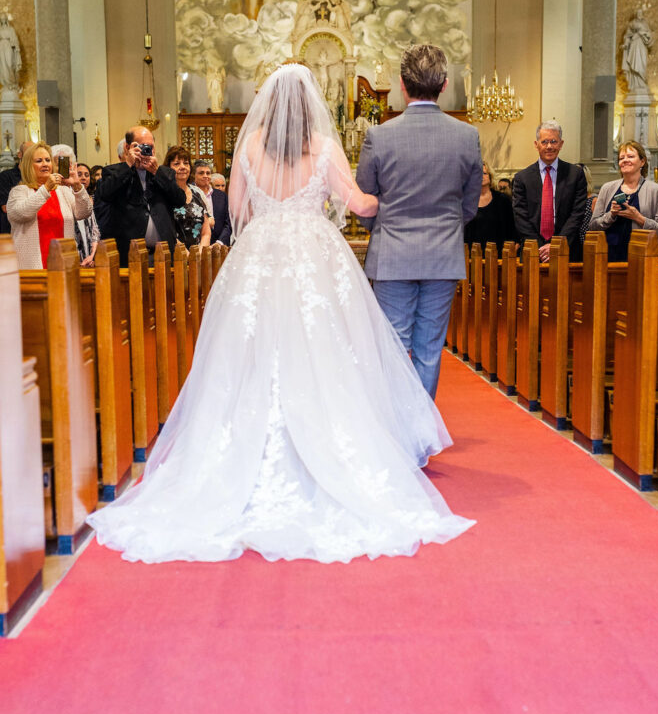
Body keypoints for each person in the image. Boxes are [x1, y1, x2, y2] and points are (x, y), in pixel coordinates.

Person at [87, 63, 475, 564]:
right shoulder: (324, 147)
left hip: (262, 254)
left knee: (253, 353)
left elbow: (240, 210)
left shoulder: (249, 147)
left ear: (268, 102)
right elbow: (357, 204)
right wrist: (396, 199)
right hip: (315, 252)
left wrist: (275, 220)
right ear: (310, 101)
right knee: (326, 352)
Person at [355, 43, 482, 399]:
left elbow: (364, 204)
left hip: (393, 255)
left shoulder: (379, 135)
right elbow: (470, 204)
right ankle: (421, 430)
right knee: (429, 349)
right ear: (443, 85)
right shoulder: (466, 135)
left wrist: (383, 230)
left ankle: (397, 432)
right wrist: (445, 228)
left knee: (393, 346)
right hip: (443, 255)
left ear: (401, 83)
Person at [96, 127, 185, 268]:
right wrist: (128, 165)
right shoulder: (113, 171)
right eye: (140, 146)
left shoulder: (165, 173)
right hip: (130, 256)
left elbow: (180, 200)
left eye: (150, 147)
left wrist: (157, 172)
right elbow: (105, 195)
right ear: (127, 148)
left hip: (163, 255)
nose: (146, 151)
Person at [6, 141, 92, 269]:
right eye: (39, 160)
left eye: (47, 160)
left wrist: (77, 186)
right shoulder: (19, 191)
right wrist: (46, 188)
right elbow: (21, 213)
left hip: (63, 264)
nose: (45, 164)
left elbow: (84, 212)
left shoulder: (62, 191)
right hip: (32, 267)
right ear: (29, 165)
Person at [512, 120, 587, 263]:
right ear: (536, 144)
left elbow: (577, 213)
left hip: (567, 250)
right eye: (544, 142)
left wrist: (556, 245)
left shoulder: (575, 174)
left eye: (554, 141)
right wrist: (541, 248)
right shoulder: (522, 178)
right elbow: (520, 217)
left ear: (561, 143)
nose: (549, 146)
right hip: (533, 252)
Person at [589, 140, 658, 261]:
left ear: (642, 161)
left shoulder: (655, 190)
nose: (625, 160)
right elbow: (593, 226)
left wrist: (639, 218)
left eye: (630, 156)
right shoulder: (607, 188)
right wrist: (611, 215)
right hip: (608, 255)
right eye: (621, 158)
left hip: (641, 256)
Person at [52, 145, 100, 267]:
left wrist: (92, 255)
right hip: (66, 254)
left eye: (68, 164)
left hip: (87, 255)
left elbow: (93, 227)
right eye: (59, 163)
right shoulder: (50, 191)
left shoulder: (80, 192)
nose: (64, 168)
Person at [464, 161, 517, 256]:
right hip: (471, 256)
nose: (481, 176)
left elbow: (512, 227)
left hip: (499, 256)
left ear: (490, 176)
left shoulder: (503, 200)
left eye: (484, 173)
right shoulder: (465, 201)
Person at [164, 146, 212, 251]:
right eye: (177, 164)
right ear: (168, 168)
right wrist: (184, 253)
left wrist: (199, 253)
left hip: (198, 256)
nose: (183, 167)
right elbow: (164, 229)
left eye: (186, 163)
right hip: (174, 255)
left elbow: (206, 232)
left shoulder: (197, 192)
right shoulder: (164, 194)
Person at [193, 159, 231, 245]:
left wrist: (220, 242)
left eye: (208, 173)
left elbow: (228, 223)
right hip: (195, 245)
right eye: (201, 173)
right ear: (193, 175)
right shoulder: (188, 193)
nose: (205, 176)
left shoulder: (222, 196)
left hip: (220, 246)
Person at [0, 140, 31, 234]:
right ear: (20, 155)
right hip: (11, 230)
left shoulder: (40, 178)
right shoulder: (5, 176)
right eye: (29, 152)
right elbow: (6, 208)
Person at [621, 8, 652, 94]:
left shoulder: (645, 24)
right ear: (635, 14)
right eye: (638, 13)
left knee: (642, 63)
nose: (639, 14)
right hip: (634, 45)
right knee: (634, 64)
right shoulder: (632, 23)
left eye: (640, 12)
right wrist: (626, 44)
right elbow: (627, 36)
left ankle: (643, 83)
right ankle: (635, 85)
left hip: (642, 46)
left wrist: (645, 34)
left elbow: (649, 34)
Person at [578, 163, 597, 246]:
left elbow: (597, 228)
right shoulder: (568, 200)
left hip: (586, 245)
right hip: (570, 243)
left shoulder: (594, 200)